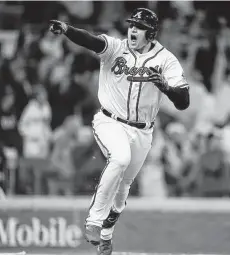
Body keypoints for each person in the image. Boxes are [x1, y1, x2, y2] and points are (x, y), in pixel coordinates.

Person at [49, 7, 190, 255]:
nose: (133, 29)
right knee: (120, 158)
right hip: (109, 121)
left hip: (143, 132)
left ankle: (105, 237)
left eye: (140, 27)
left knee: (123, 189)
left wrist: (166, 88)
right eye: (132, 25)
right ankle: (93, 222)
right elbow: (90, 40)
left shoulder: (166, 60)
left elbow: (183, 101)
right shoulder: (116, 47)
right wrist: (67, 29)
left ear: (152, 33)